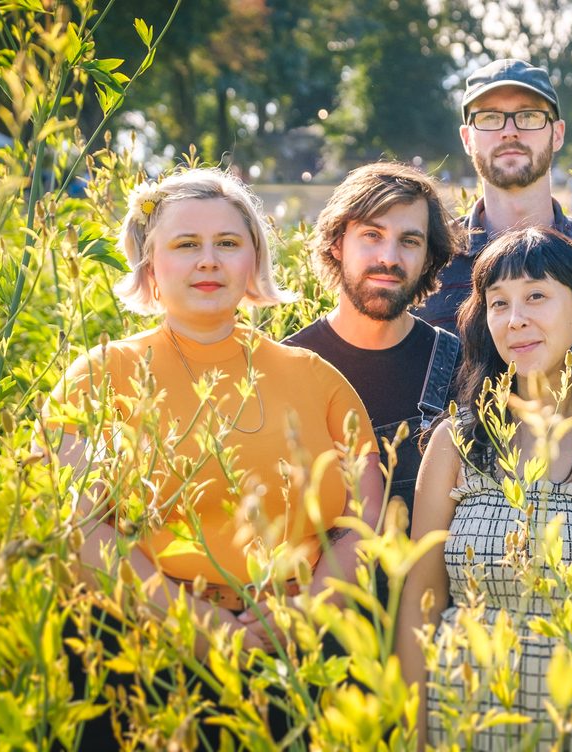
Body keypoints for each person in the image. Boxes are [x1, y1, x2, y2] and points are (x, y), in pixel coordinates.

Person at [45, 167, 382, 746]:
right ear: (150, 265)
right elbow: (80, 529)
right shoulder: (98, 377)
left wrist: (301, 615)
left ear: (253, 260)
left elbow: (366, 522)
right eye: (185, 245)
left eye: (227, 243)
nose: (209, 261)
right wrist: (197, 624)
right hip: (139, 658)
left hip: (295, 660)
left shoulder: (316, 378)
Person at [398, 227, 572, 750]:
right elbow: (421, 602)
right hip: (465, 724)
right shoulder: (455, 443)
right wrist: (416, 739)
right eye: (498, 303)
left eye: (535, 296)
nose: (515, 319)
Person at [285, 162, 461, 523]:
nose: (389, 258)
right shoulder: (284, 367)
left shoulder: (460, 366)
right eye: (372, 235)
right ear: (337, 243)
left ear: (428, 259)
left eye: (409, 241)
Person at [415, 58, 572, 332]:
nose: (509, 131)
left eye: (528, 115)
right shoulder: (427, 264)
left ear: (557, 133)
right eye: (489, 118)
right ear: (467, 139)